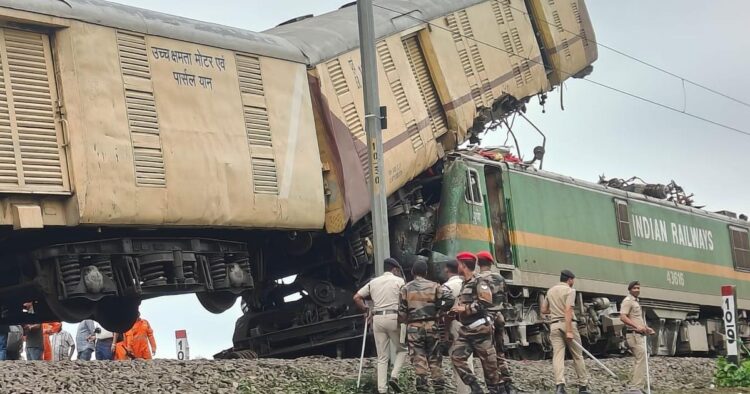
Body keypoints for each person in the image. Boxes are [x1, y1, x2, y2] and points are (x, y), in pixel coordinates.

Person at [399, 260, 454, 393]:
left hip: (414, 328)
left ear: (412, 272)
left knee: (419, 359)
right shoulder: (435, 286)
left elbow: (401, 312)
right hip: (432, 327)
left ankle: (422, 389)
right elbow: (450, 299)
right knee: (435, 359)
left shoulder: (406, 288)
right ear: (426, 272)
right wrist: (439, 310)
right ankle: (439, 388)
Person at [353, 258, 407, 394]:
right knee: (402, 349)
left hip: (377, 319)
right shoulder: (399, 281)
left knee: (382, 357)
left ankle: (382, 389)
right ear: (394, 269)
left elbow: (357, 297)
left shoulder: (373, 282)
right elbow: (406, 300)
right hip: (394, 318)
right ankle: (394, 376)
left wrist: (366, 310)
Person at [450, 252, 501, 394]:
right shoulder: (464, 283)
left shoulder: (479, 282)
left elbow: (485, 301)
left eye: (459, 264)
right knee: (456, 357)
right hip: (466, 331)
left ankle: (494, 390)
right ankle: (475, 387)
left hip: (480, 329)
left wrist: (465, 308)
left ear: (464, 266)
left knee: (490, 369)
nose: (457, 267)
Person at [541, 270, 590, 394]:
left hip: (554, 325)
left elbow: (543, 310)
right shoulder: (570, 291)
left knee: (558, 356)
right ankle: (583, 386)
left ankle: (560, 386)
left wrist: (555, 312)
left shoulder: (550, 291)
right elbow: (568, 310)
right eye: (573, 280)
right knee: (577, 355)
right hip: (568, 324)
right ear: (570, 280)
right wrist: (569, 330)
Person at [477, 251, 516, 394]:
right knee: (500, 352)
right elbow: (505, 298)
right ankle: (508, 383)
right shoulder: (500, 278)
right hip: (499, 317)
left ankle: (496, 386)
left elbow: (480, 302)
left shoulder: (478, 279)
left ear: (478, 263)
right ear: (491, 263)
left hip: (486, 320)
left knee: (489, 354)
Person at [443, 259, 473, 394]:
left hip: (454, 325)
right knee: (468, 361)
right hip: (469, 324)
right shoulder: (467, 284)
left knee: (457, 362)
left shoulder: (447, 286)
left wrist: (445, 331)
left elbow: (443, 309)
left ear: (446, 270)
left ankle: (462, 391)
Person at [620, 281, 655, 394]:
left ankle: (637, 385)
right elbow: (623, 317)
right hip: (633, 334)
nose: (637, 290)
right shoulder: (628, 301)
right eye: (634, 288)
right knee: (641, 357)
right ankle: (635, 387)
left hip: (638, 334)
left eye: (638, 288)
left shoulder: (636, 302)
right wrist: (637, 327)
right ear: (630, 289)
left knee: (641, 358)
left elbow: (636, 320)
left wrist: (646, 328)